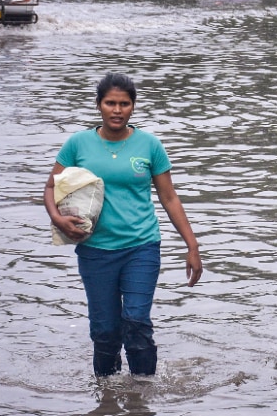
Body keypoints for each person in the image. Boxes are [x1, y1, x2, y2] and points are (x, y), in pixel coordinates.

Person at [44, 73, 203, 377]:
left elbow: (169, 198)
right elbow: (50, 187)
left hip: (141, 247)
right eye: (110, 103)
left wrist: (192, 246)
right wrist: (57, 218)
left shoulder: (149, 145)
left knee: (136, 321)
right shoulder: (78, 144)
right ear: (99, 106)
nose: (117, 110)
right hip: (95, 249)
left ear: (133, 107)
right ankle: (105, 400)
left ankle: (142, 396)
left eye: (124, 104)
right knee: (105, 332)